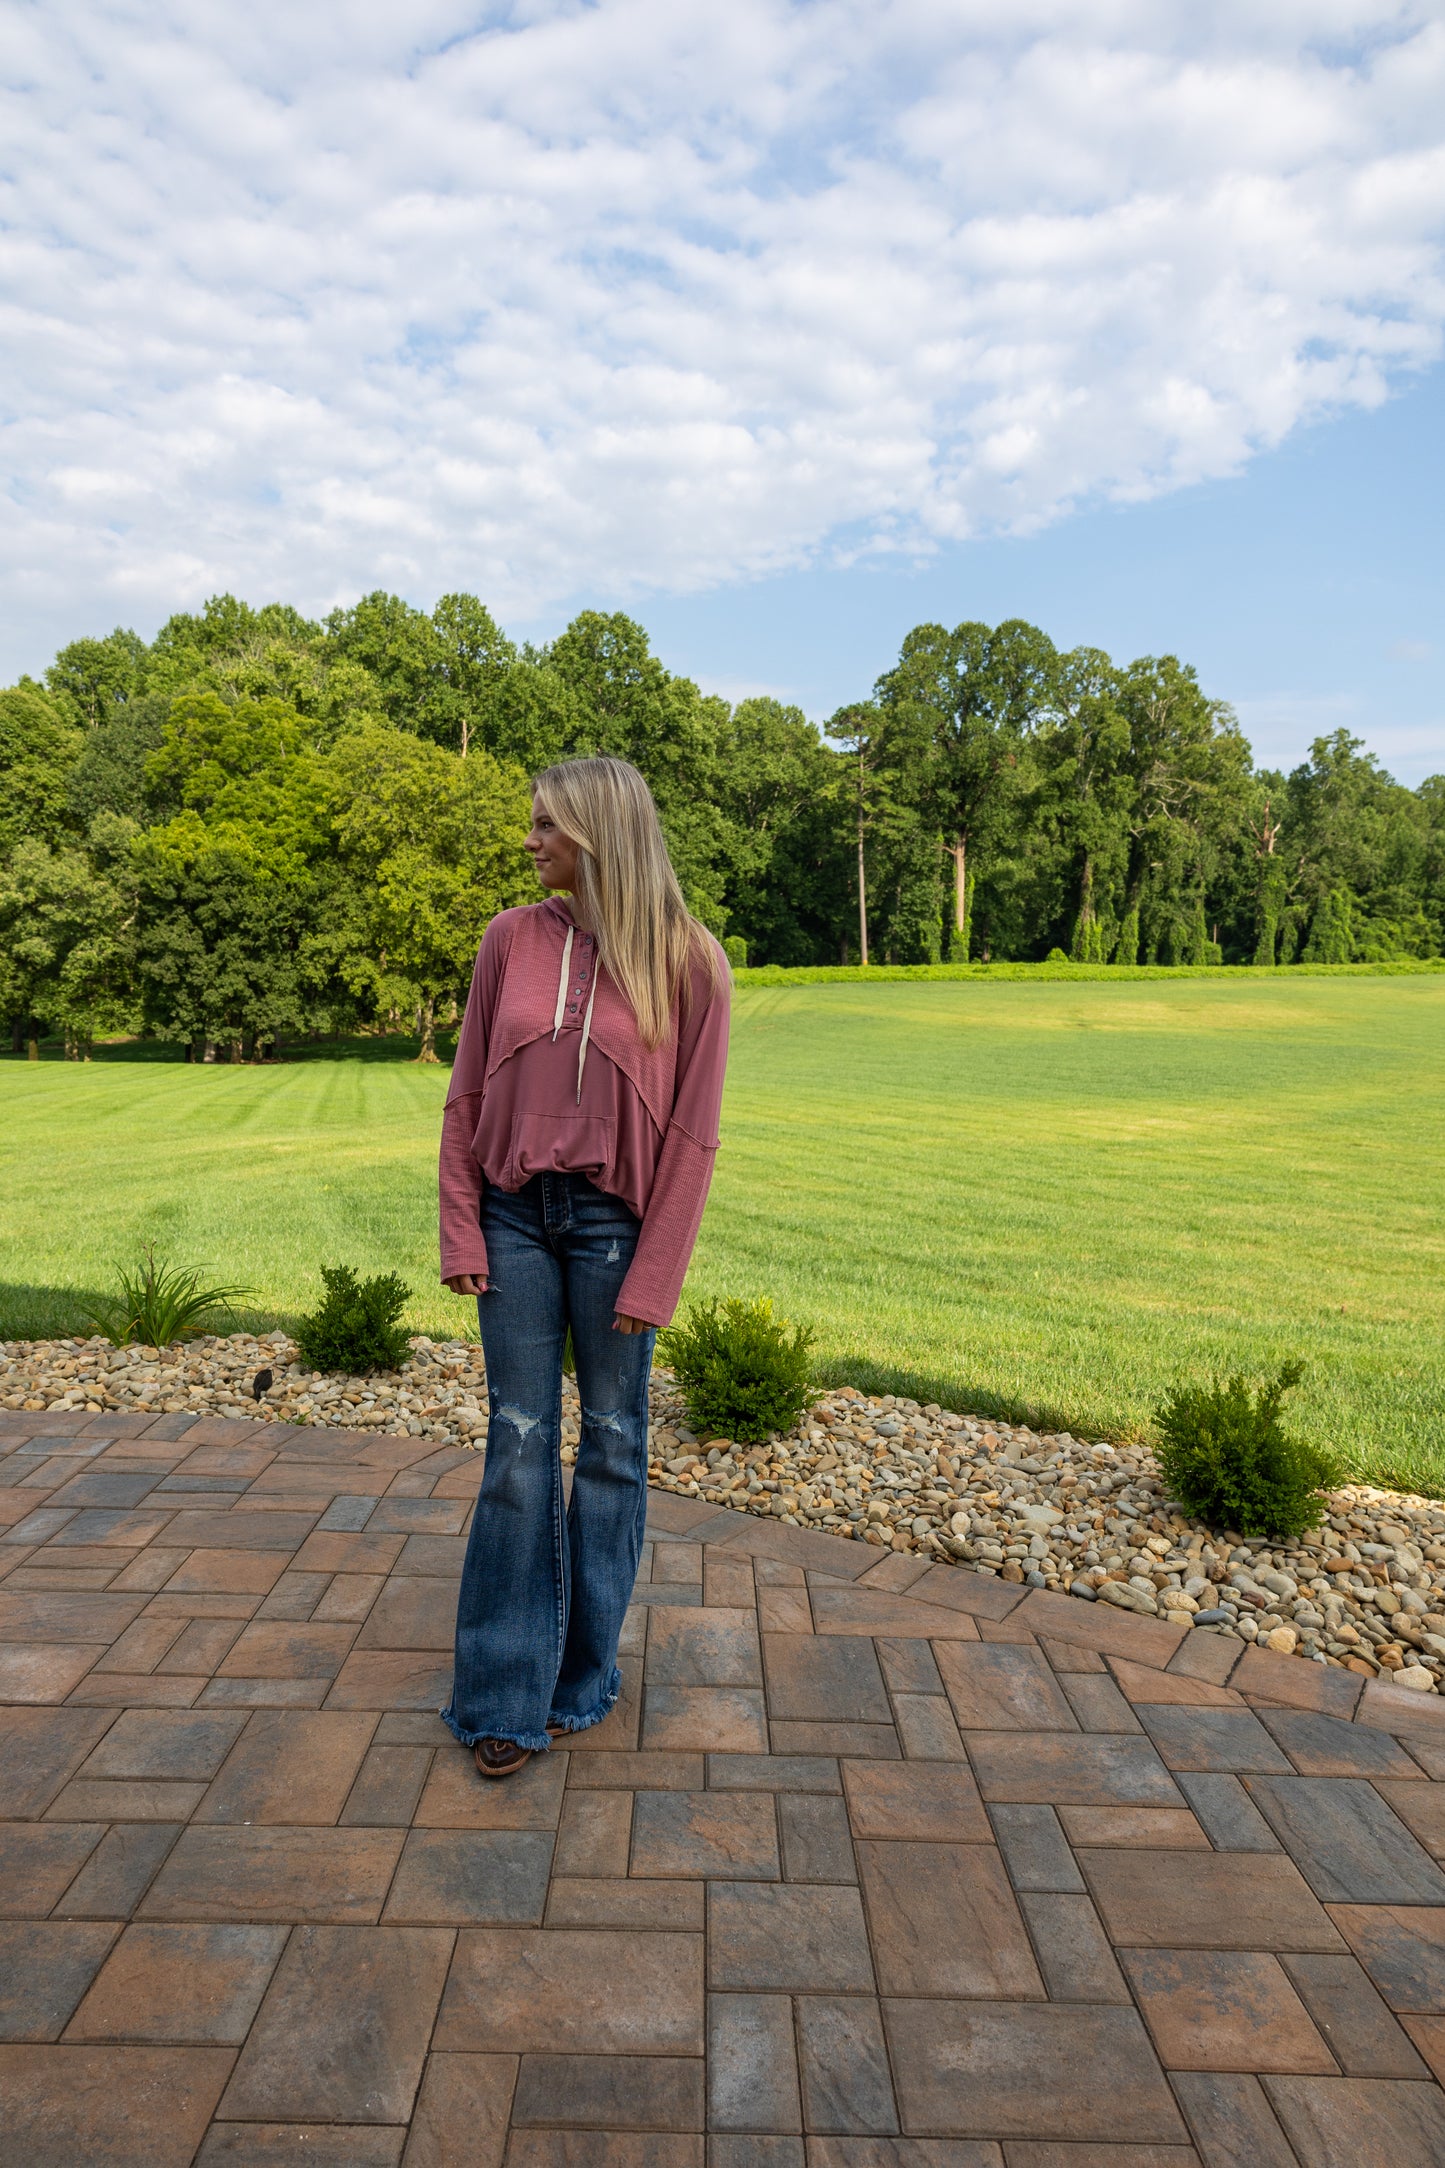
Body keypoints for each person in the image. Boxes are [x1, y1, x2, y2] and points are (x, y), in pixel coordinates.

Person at [437, 754, 730, 1777]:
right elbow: (466, 1094)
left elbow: (693, 1135)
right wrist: (461, 1229)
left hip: (616, 1228)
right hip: (512, 1215)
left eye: (545, 826)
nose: (529, 842)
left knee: (609, 1445)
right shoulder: (507, 940)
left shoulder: (691, 960)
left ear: (599, 832)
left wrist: (656, 1277)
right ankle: (500, 1695)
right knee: (516, 1445)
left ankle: (581, 1676)